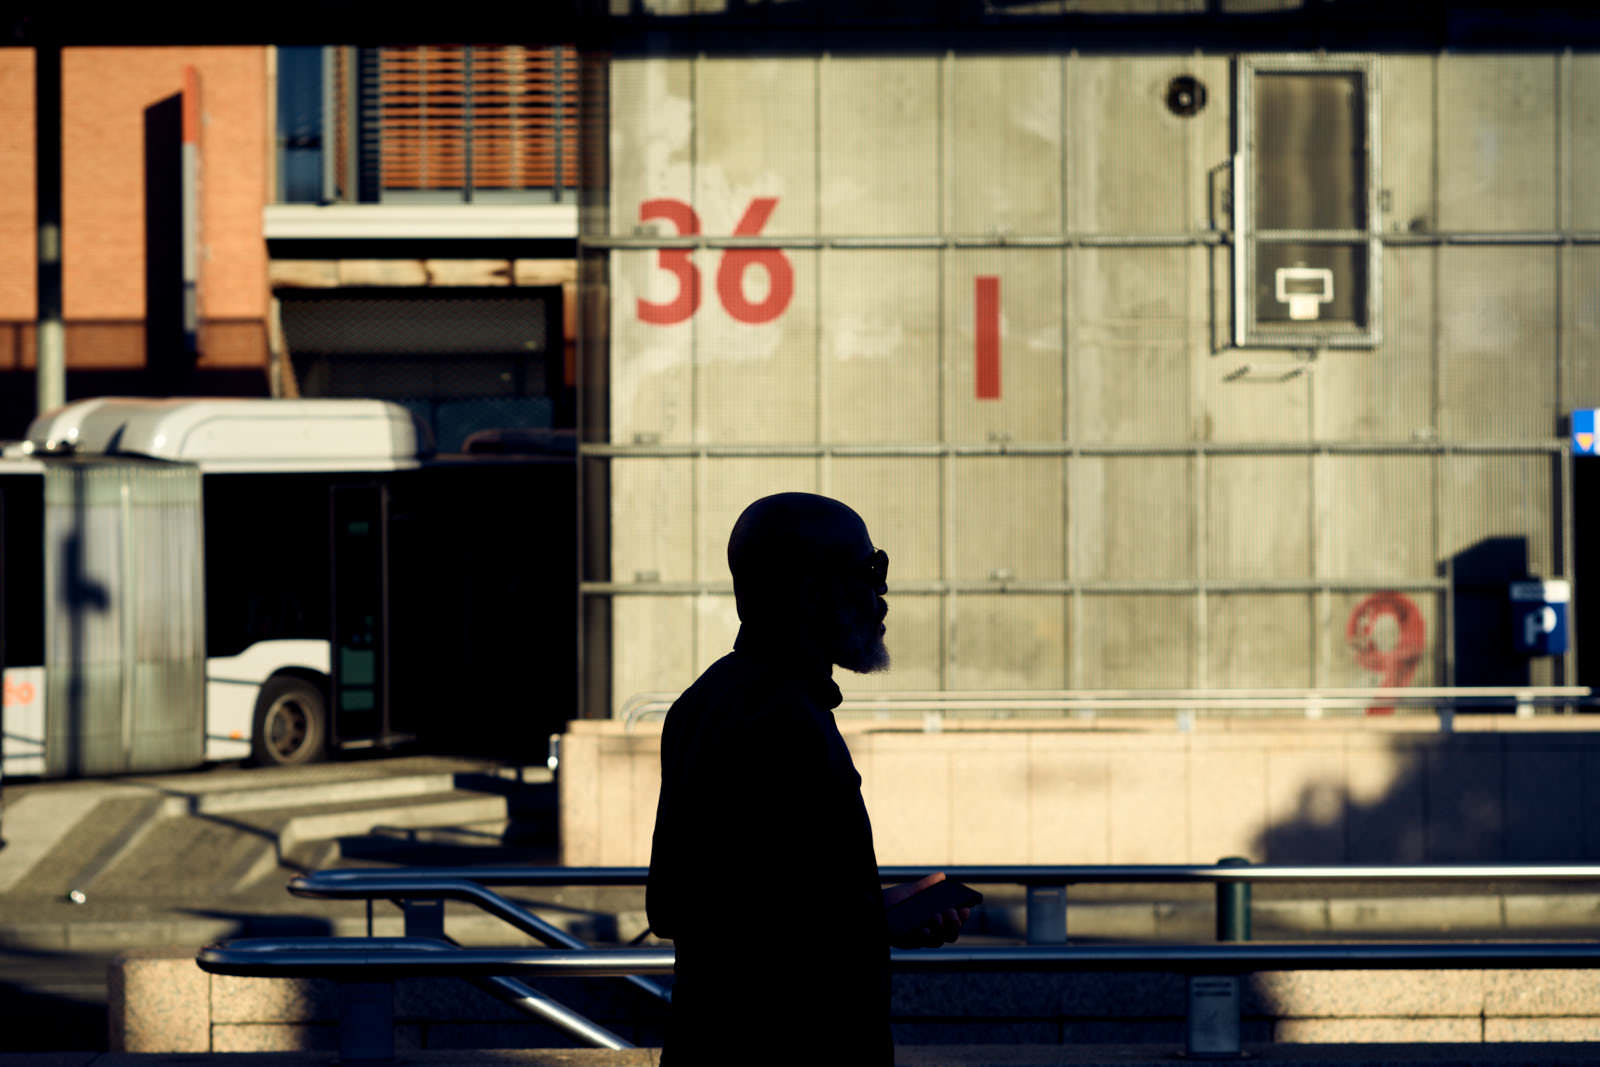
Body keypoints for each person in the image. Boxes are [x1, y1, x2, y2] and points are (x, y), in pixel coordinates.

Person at [646, 492, 970, 1065]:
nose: (882, 597)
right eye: (871, 573)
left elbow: (691, 901)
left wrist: (875, 907)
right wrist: (877, 918)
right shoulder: (782, 717)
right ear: (810, 589)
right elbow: (755, 920)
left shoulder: (708, 701)